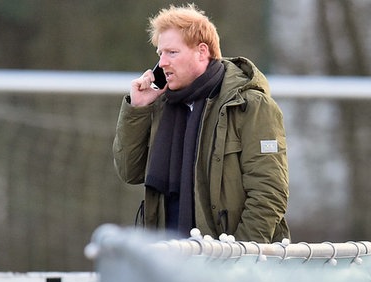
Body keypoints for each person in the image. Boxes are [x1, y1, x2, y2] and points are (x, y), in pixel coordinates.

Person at [112, 4, 290, 243]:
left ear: (201, 51)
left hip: (229, 261)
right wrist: (138, 108)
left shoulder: (250, 105)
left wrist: (239, 257)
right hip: (168, 257)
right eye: (160, 53)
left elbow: (269, 193)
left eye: (172, 52)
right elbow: (129, 171)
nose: (162, 62)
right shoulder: (161, 104)